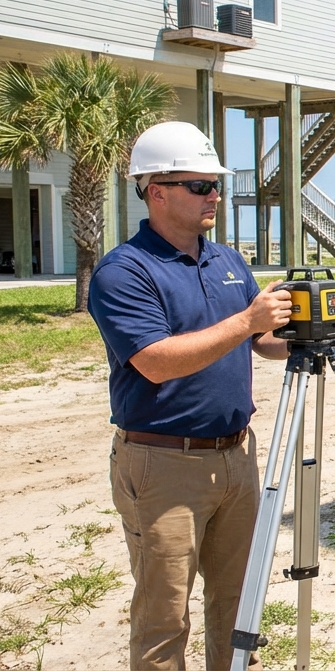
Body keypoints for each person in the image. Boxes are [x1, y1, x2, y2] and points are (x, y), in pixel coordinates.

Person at [89, 121, 292, 670]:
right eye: (200, 185)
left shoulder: (226, 260)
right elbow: (155, 362)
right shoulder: (124, 271)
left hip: (236, 456)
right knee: (164, 615)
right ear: (156, 191)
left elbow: (259, 341)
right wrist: (249, 319)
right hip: (162, 464)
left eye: (216, 185)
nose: (215, 196)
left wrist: (300, 334)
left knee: (237, 606)